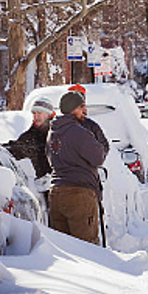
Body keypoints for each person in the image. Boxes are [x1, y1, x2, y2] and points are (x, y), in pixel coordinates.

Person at [46, 90, 109, 244]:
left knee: (65, 249)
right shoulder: (79, 132)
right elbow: (98, 157)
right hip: (80, 193)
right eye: (82, 107)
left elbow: (49, 159)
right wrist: (101, 146)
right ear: (72, 108)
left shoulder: (53, 133)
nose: (85, 111)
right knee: (87, 246)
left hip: (56, 194)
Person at [5, 98, 56, 178]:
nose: (36, 116)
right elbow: (18, 146)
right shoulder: (30, 134)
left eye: (39, 113)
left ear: (48, 114)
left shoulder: (56, 132)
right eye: (34, 113)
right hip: (36, 182)